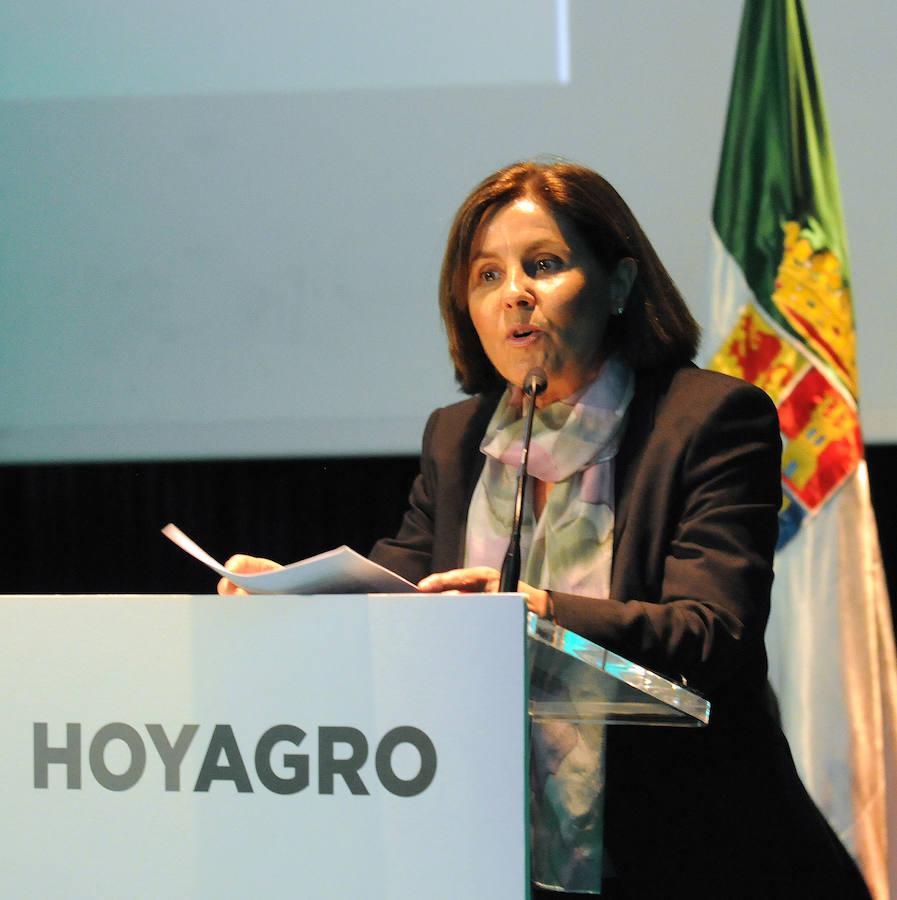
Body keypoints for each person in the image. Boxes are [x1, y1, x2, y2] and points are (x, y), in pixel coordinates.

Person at [219, 160, 870, 899]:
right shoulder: (458, 438)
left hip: (686, 853)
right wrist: (290, 599)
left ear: (619, 284)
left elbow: (710, 632)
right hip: (488, 849)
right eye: (487, 276)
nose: (514, 294)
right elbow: (401, 588)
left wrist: (539, 612)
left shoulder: (707, 421)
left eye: (544, 265)